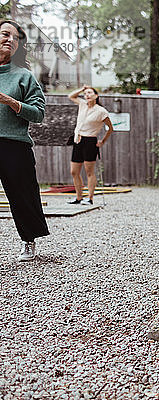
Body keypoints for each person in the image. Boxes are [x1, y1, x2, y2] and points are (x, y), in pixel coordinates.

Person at [0, 20, 48, 261]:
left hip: (14, 144)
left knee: (22, 195)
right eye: (5, 34)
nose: (10, 39)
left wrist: (11, 102)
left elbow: (38, 113)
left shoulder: (24, 76)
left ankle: (28, 241)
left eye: (15, 38)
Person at [67, 86, 113, 205]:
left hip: (90, 141)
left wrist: (103, 141)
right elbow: (71, 96)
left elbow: (110, 128)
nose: (87, 95)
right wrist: (82, 88)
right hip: (78, 140)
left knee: (89, 171)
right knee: (74, 171)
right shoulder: (82, 104)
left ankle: (90, 198)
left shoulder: (101, 111)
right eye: (85, 93)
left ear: (96, 96)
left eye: (90, 93)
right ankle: (78, 198)